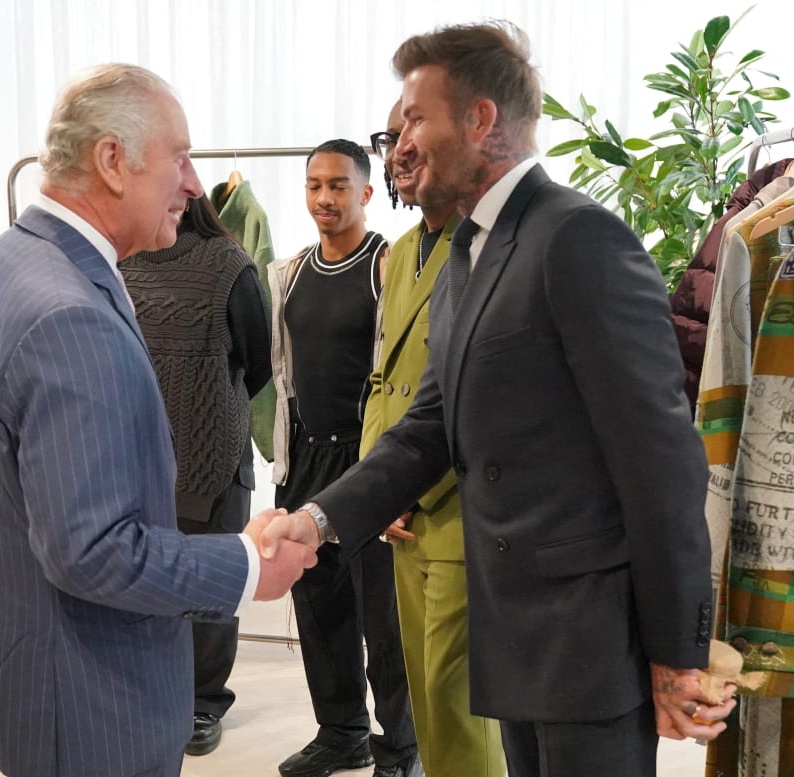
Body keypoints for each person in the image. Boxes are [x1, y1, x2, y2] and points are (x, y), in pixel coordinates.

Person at [262, 22, 736, 777]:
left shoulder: (578, 239)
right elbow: (426, 430)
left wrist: (678, 651)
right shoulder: (464, 250)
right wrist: (315, 521)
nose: (400, 144)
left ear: (481, 122)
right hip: (511, 633)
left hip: (589, 644)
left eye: (416, 119)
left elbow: (661, 460)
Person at [0, 63, 314, 777]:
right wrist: (246, 564)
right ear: (113, 160)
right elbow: (94, 551)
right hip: (87, 706)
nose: (196, 184)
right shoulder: (69, 314)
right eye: (180, 156)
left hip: (22, 673)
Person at [269, 138, 421, 777]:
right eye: (314, 186)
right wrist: (282, 464)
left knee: (384, 622)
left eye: (338, 186)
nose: (324, 198)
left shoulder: (387, 266)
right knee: (319, 608)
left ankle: (400, 747)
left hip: (367, 466)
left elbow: (408, 372)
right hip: (306, 457)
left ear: (365, 192)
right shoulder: (291, 272)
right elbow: (280, 372)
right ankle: (341, 732)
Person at [366, 101, 506, 777]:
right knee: (422, 698)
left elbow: (489, 394)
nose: (398, 151)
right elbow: (382, 375)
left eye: (410, 135)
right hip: (400, 515)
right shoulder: (397, 255)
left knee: (458, 706)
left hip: (455, 508)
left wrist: (405, 485)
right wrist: (376, 484)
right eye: (389, 139)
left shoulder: (486, 246)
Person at [119, 192, 272, 757]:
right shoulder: (122, 260)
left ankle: (203, 702)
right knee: (145, 579)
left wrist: (203, 409)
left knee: (212, 586)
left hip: (213, 456)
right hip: (139, 454)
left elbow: (257, 363)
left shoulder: (229, 265)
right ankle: (152, 691)